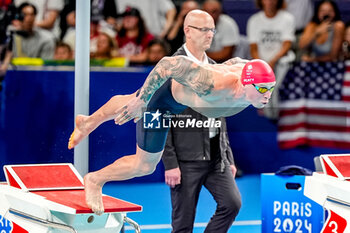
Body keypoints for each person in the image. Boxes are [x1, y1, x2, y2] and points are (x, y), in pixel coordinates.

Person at [68, 44, 276, 215]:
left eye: (271, 89)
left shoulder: (248, 75)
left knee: (129, 100)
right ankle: (94, 180)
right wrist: (144, 100)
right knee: (145, 165)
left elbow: (234, 64)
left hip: (184, 103)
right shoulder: (212, 83)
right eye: (263, 90)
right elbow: (168, 64)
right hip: (163, 101)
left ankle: (88, 122)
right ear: (246, 84)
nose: (268, 95)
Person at [161, 10, 241, 233]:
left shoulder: (217, 68)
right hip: (185, 161)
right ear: (187, 31)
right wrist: (170, 163)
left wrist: (228, 157)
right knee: (182, 225)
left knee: (232, 204)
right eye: (204, 29)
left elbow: (220, 115)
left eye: (212, 30)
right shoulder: (171, 67)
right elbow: (159, 117)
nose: (210, 34)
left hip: (216, 159)